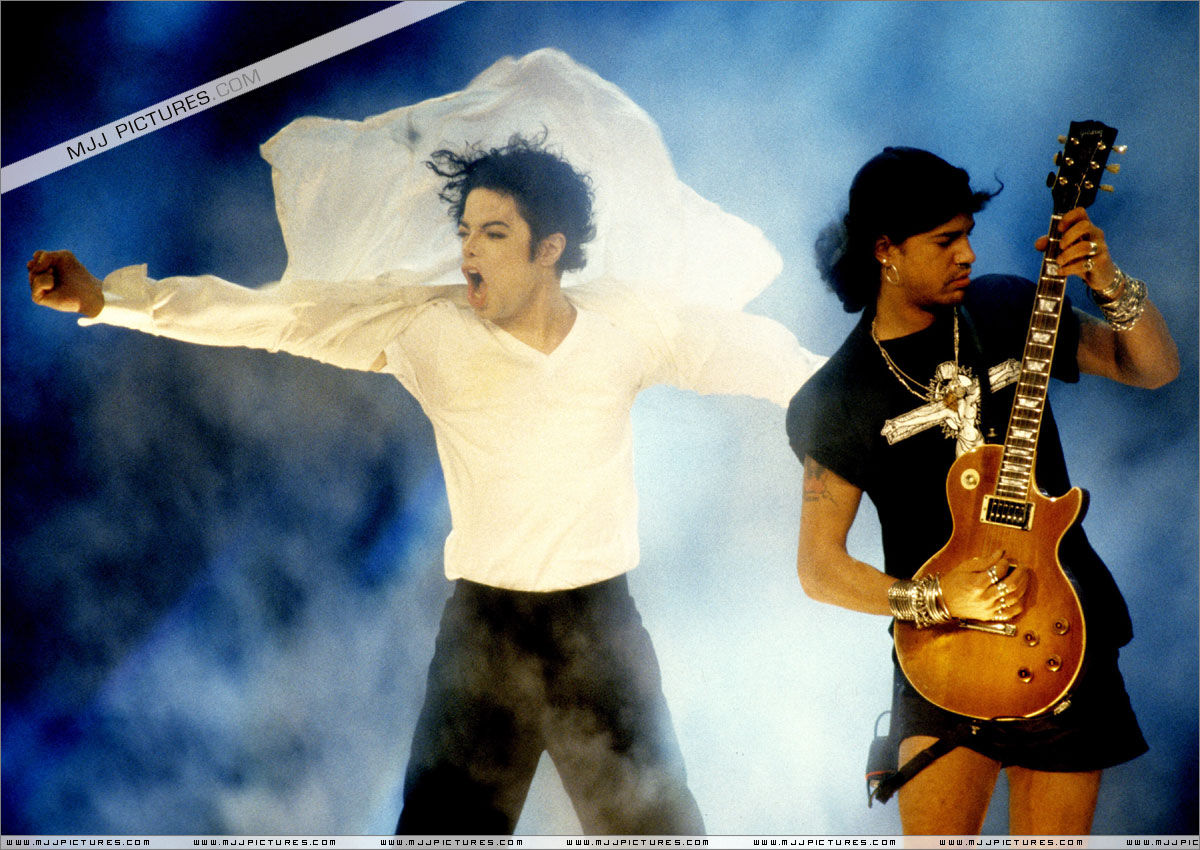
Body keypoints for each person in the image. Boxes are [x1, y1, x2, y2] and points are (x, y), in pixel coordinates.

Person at [29, 135, 821, 835]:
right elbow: (276, 316)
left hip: (598, 630)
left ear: (549, 249)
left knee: (657, 831)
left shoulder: (625, 325)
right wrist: (108, 300)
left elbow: (752, 354)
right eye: (465, 231)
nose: (469, 250)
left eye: (494, 234)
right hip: (488, 635)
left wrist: (877, 400)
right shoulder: (424, 326)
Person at [786, 147, 1178, 835]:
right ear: (885, 249)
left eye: (968, 234)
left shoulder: (1005, 307)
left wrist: (1109, 280)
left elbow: (1152, 369)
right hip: (942, 654)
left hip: (1062, 629)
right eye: (945, 241)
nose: (967, 254)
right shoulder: (836, 396)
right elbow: (820, 567)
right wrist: (935, 598)